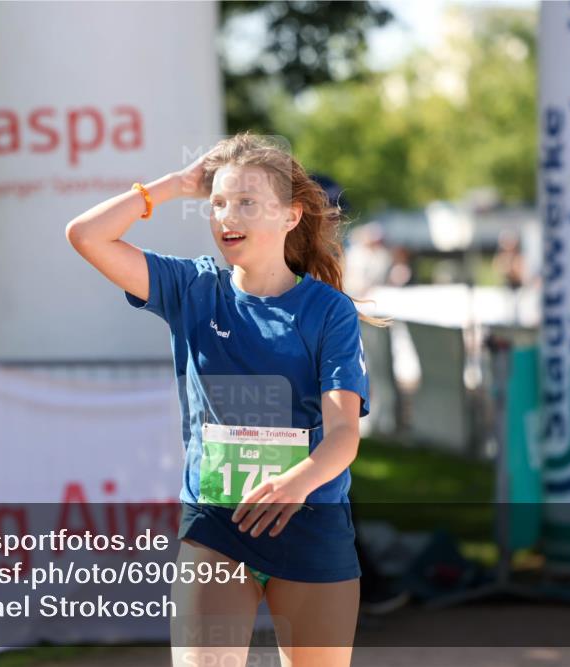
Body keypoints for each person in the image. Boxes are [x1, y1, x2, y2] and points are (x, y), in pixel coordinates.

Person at [65, 132, 388, 667]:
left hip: (309, 523)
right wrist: (172, 186)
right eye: (216, 203)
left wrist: (293, 484)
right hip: (216, 527)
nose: (225, 217)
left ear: (291, 216)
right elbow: (85, 235)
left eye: (245, 203)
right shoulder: (192, 287)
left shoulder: (327, 311)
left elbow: (343, 437)